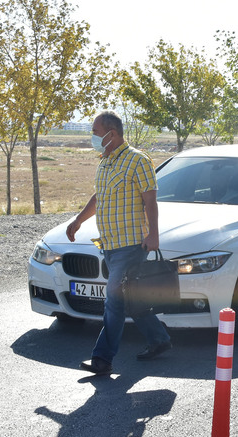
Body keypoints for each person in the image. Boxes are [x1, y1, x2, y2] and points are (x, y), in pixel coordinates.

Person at [66, 111, 171, 375]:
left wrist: (154, 234)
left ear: (111, 134)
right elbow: (99, 197)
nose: (93, 137)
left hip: (131, 245)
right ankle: (159, 339)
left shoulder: (138, 161)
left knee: (112, 300)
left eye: (96, 132)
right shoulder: (105, 162)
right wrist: (78, 220)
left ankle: (102, 359)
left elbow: (150, 201)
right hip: (109, 245)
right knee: (129, 297)